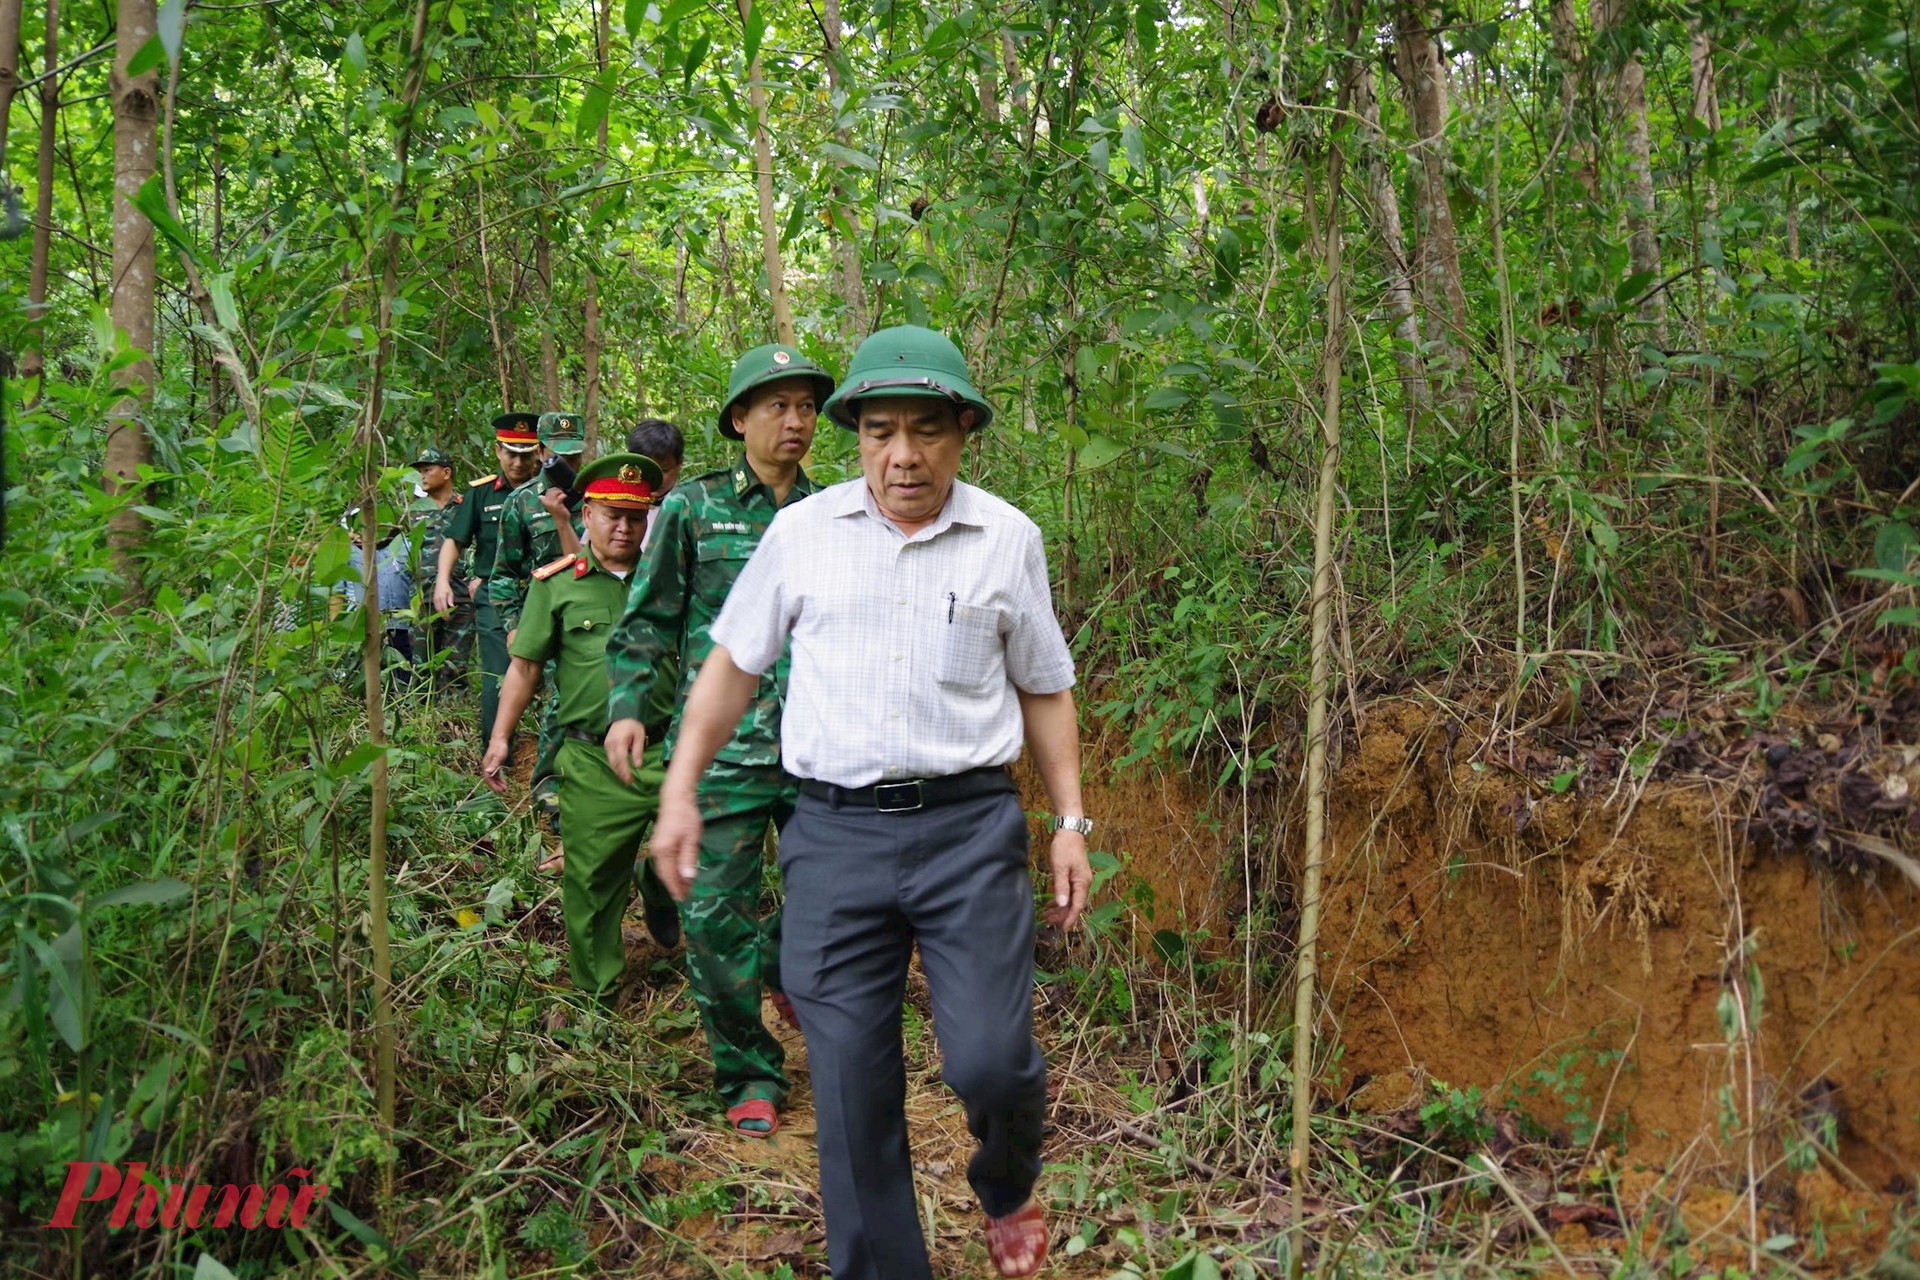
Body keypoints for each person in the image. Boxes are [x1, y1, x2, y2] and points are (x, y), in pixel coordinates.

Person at [646, 325, 1093, 1280]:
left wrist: (1069, 822)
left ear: (963, 432)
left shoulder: (1007, 538)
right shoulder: (801, 536)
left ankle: (1007, 1180)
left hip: (969, 829)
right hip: (834, 835)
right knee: (849, 1089)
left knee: (991, 1061)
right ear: (855, 436)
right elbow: (731, 666)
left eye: (927, 430)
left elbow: (1045, 686)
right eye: (880, 430)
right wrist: (681, 787)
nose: (904, 455)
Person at [603, 345, 834, 1137]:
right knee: (711, 916)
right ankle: (748, 1072)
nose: (796, 420)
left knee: (832, 901)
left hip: (817, 754)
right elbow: (648, 622)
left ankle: (780, 965)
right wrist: (629, 708)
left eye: (806, 406)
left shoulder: (835, 513)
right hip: (726, 755)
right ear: (740, 419)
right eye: (778, 406)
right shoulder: (692, 510)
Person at [482, 454, 681, 1000]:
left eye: (636, 517)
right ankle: (600, 996)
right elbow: (524, 667)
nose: (624, 528)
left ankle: (660, 891)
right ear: (586, 513)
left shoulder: (670, 580)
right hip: (594, 761)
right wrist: (501, 737)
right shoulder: (556, 584)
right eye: (613, 515)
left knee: (696, 857)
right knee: (592, 885)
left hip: (672, 751)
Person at [492, 411, 590, 831]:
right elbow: (503, 574)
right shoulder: (522, 502)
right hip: (542, 618)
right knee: (558, 701)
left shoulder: (599, 496)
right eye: (557, 454)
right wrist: (513, 623)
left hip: (591, 616)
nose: (567, 463)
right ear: (542, 451)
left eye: (574, 454)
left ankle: (584, 788)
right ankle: (549, 792)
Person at [438, 414, 542, 748]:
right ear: (497, 451)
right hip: (494, 597)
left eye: (525, 454)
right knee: (498, 676)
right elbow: (455, 540)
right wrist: (443, 581)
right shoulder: (481, 495)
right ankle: (499, 758)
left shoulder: (549, 492)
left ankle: (552, 760)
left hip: (543, 593)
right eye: (510, 452)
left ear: (538, 453)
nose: (517, 461)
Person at [407, 446, 472, 683]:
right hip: (422, 597)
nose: (422, 476)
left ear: (446, 473)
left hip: (460, 597)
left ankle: (453, 719)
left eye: (427, 470)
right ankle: (420, 719)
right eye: (419, 471)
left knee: (455, 669)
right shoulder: (412, 510)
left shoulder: (466, 506)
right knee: (421, 670)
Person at [334, 506, 416, 687]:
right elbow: (337, 593)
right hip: (364, 629)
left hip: (402, 628)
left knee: (404, 678)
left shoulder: (404, 546)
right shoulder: (348, 552)